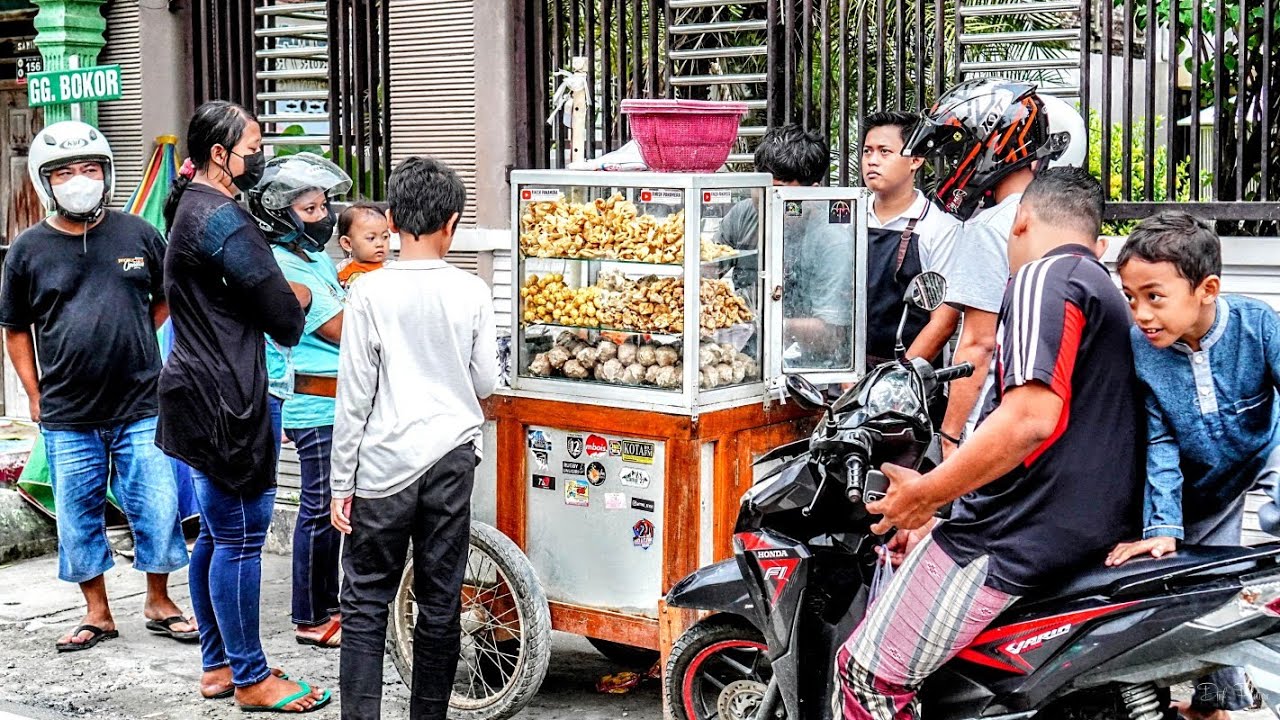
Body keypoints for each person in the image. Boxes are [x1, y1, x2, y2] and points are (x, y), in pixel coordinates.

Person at [835, 167, 1143, 718]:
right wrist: (943, 505)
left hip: (1009, 539)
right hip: (1079, 531)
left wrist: (927, 494)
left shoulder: (1041, 279)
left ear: (1020, 221)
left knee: (865, 675)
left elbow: (1029, 419)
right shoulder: (1101, 288)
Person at [159, 100, 330, 712]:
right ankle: (252, 678)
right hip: (228, 398)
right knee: (239, 538)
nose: (261, 157)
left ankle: (218, 665)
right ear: (219, 156)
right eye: (253, 148)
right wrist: (305, 291)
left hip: (198, 389)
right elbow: (285, 319)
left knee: (216, 533)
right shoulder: (223, 219)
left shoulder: (191, 209)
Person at [0, 120, 194, 653]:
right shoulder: (27, 250)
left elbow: (164, 297)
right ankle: (98, 612)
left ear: (107, 174)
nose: (79, 179)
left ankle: (159, 599)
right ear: (46, 182)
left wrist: (128, 334)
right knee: (79, 514)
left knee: (156, 507)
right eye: (64, 171)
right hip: (67, 412)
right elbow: (15, 330)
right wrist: (35, 396)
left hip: (140, 404)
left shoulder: (138, 234)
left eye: (90, 168)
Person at [330, 156, 499, 720]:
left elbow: (354, 396)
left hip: (382, 466)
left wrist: (340, 484)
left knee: (365, 600)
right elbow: (485, 381)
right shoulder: (472, 291)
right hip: (452, 458)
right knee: (439, 598)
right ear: (452, 223)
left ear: (394, 220)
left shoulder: (369, 293)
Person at [1105, 211, 1280, 720]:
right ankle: (1209, 707)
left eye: (1154, 296)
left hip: (1259, 453)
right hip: (1199, 484)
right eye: (1131, 298)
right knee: (1211, 596)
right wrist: (1163, 525)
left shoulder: (1258, 323)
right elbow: (1159, 440)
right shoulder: (1143, 349)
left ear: (1207, 288)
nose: (1140, 313)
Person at [902, 80, 1086, 455]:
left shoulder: (991, 227)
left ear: (993, 146)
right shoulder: (1064, 220)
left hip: (995, 422)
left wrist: (950, 438)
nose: (957, 163)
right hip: (1053, 409)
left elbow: (979, 343)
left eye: (963, 149)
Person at [248, 152, 353, 649]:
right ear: (279, 215)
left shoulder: (314, 257)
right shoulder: (287, 264)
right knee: (317, 507)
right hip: (314, 406)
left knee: (333, 507)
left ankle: (331, 605)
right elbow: (342, 331)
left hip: (339, 403)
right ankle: (310, 616)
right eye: (311, 210)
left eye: (325, 205)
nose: (325, 216)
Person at [716, 124, 855, 370]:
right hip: (744, 359)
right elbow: (705, 269)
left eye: (778, 190)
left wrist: (763, 323)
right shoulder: (743, 216)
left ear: (813, 193)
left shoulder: (832, 240)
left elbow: (833, 336)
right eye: (762, 188)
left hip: (810, 368)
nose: (766, 199)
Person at [860, 111, 961, 366]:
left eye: (885, 152)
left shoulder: (939, 227)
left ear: (915, 159)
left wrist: (900, 380)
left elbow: (943, 321)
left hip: (913, 379)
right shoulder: (850, 218)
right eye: (867, 151)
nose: (872, 161)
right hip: (849, 376)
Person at [336, 201, 390, 288]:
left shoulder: (391, 269)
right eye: (371, 238)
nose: (380, 244)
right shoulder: (340, 270)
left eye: (385, 237)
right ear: (348, 243)